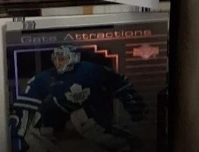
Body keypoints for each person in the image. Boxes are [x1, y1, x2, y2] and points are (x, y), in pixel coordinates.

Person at [9, 41, 144, 152]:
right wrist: (17, 131)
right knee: (34, 137)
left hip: (91, 116)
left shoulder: (91, 70)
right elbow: (25, 105)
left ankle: (125, 142)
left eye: (62, 58)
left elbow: (119, 82)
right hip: (55, 118)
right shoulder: (44, 78)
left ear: (74, 57)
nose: (58, 62)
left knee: (89, 125)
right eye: (56, 58)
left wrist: (132, 104)